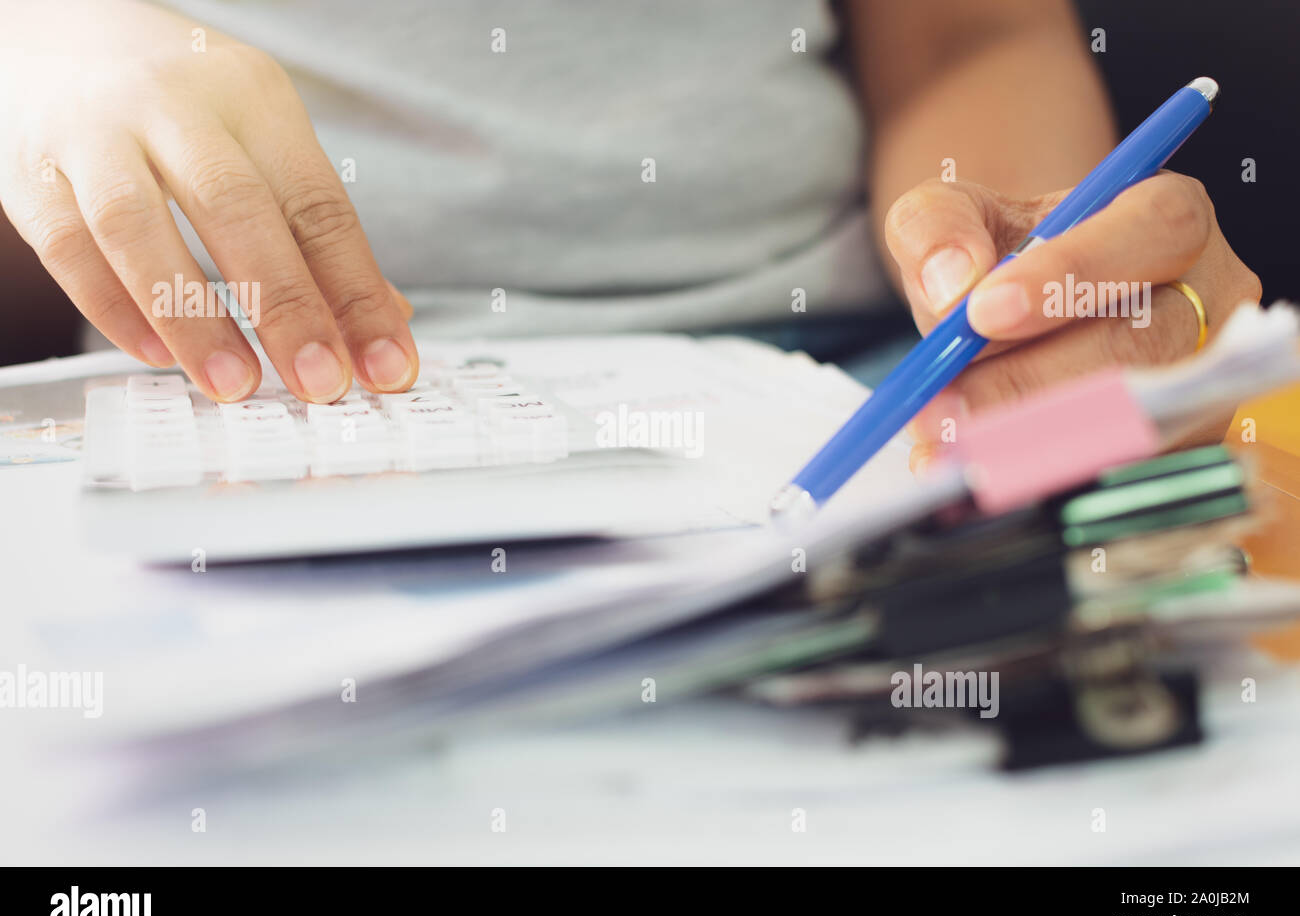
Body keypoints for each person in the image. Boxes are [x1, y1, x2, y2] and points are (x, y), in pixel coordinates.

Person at [0, 0, 1261, 472]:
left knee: (1179, 454)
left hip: (856, 381)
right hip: (229, 403)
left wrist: (1036, 297)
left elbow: (963, 33)